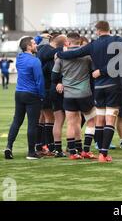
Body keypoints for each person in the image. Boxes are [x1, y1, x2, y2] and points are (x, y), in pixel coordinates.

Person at [57, 21, 122, 162]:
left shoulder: (93, 44)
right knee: (110, 120)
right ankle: (103, 154)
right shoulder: (118, 40)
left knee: (99, 120)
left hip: (99, 87)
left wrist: (59, 53)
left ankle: (100, 149)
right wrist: (103, 70)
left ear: (98, 31)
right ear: (108, 29)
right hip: (113, 85)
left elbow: (75, 53)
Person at [52, 32, 96, 160]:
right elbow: (93, 72)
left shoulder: (60, 57)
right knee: (92, 120)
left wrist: (62, 81)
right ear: (80, 42)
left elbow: (54, 76)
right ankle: (86, 150)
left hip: (69, 95)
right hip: (84, 93)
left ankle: (73, 152)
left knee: (72, 122)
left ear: (68, 42)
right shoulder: (87, 57)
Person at [4, 36, 45, 160]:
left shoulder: (19, 58)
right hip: (32, 94)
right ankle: (31, 152)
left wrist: (39, 37)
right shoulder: (35, 61)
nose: (36, 45)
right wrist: (42, 96)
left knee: (17, 121)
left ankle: (9, 147)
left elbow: (25, 44)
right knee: (32, 124)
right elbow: (39, 81)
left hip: (19, 93)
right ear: (28, 47)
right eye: (34, 44)